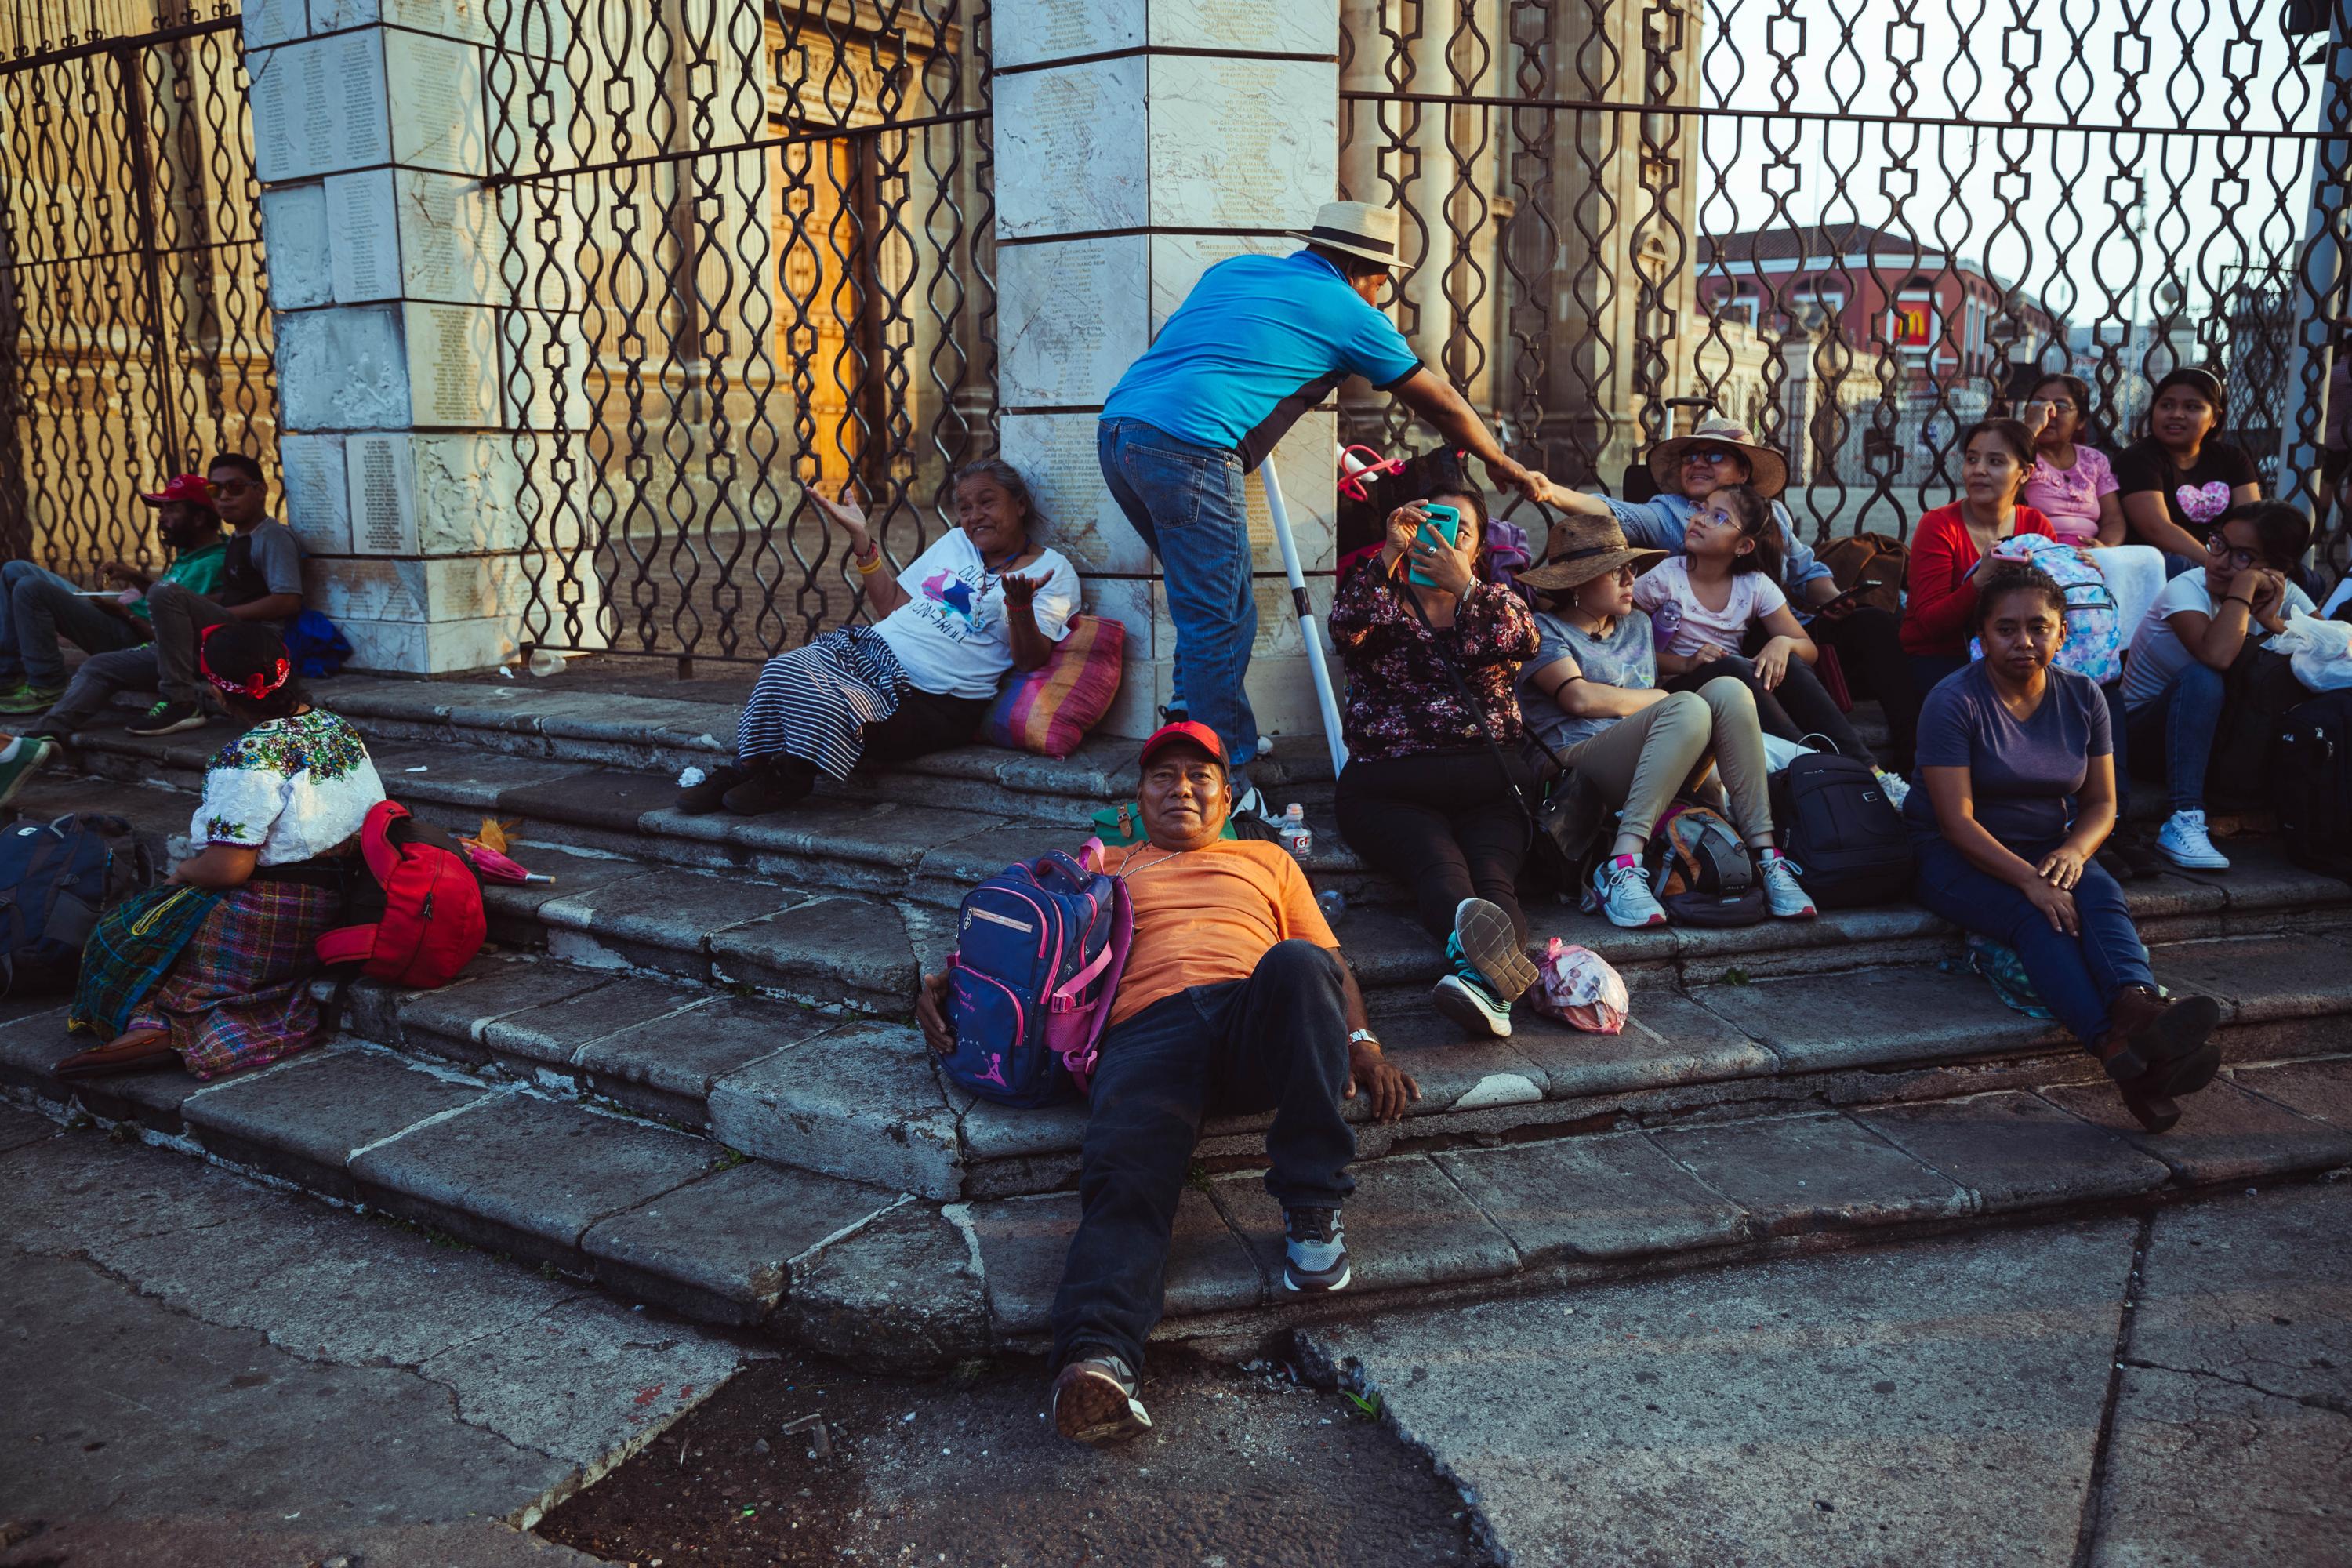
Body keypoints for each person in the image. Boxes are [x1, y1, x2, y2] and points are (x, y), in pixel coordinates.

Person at [916, 721, 1419, 1445]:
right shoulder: (1105, 867)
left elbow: (1331, 965)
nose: (1180, 788)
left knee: (1299, 963)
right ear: (1138, 797)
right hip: (1146, 1031)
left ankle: (1312, 1213)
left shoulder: (1268, 862)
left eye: (1199, 777)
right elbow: (1015, 937)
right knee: (1126, 1174)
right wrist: (946, 981)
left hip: (1252, 1018)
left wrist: (1363, 1044)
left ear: (1225, 796)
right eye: (1163, 776)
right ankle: (1097, 1361)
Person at [1097, 200, 1556, 814]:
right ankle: (1224, 777)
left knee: (1206, 604)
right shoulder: (1350, 312)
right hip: (1193, 447)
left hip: (1121, 430)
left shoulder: (1233, 272)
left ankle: (1195, 728)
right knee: (1222, 617)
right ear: (1376, 277)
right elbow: (1441, 403)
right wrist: (1501, 463)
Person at [1907, 562, 2222, 1134]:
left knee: (2099, 894)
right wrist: (2029, 880)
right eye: (2006, 628)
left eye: (2038, 626)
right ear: (1980, 636)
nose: (2023, 641)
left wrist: (2076, 852)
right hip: (1956, 856)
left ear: (2062, 633)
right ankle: (2119, 1051)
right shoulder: (1953, 701)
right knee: (2039, 916)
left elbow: (2103, 805)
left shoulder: (2084, 696)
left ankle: (2136, 1012)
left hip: (2052, 843)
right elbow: (1955, 821)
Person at [53, 622, 387, 1081]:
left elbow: (229, 868)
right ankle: (157, 1025)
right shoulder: (334, 727)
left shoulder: (248, 757)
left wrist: (185, 872)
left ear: (219, 690)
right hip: (347, 899)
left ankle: (162, 1027)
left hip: (277, 912)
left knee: (122, 935)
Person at [679, 459, 1080, 815]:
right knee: (783, 669)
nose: (975, 516)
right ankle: (747, 767)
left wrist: (1019, 608)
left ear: (1020, 505)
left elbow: (1030, 660)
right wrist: (862, 540)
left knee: (829, 698)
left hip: (930, 698)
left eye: (987, 502)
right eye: (965, 507)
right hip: (868, 654)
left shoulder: (1053, 570)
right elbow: (890, 604)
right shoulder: (957, 543)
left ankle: (793, 774)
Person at [1544, 417, 1923, 775]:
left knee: (1873, 623)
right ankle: (1817, 770)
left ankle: (1908, 762)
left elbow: (1807, 572)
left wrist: (1836, 599)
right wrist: (1550, 490)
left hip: (1777, 631)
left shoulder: (1771, 519)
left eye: (1714, 455)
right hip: (1718, 658)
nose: (1698, 463)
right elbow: (1614, 515)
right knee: (1744, 662)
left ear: (1743, 472)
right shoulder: (1672, 514)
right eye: (1691, 455)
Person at [1513, 514, 1815, 929]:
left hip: (1648, 764)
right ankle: (1621, 865)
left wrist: (1665, 700)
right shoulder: (1542, 630)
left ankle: (1767, 857)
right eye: (1614, 572)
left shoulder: (1637, 625)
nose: (1629, 580)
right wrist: (1660, 699)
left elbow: (1646, 706)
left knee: (1729, 690)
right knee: (1685, 705)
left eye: (1630, 569)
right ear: (1577, 583)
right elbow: (1579, 698)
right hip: (1573, 768)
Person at [1328, 484, 1543, 1039]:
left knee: (1495, 880)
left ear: (1475, 549)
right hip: (1391, 785)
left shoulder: (1495, 600)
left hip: (1488, 783)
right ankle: (1493, 986)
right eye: (1424, 524)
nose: (1438, 538)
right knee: (1439, 869)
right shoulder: (1377, 601)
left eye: (1457, 530)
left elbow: (1522, 638)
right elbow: (1344, 626)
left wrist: (1464, 587)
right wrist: (1387, 553)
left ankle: (1486, 988)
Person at [1632, 481, 1902, 795]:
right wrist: (1686, 663)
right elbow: (1627, 650)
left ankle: (1873, 772)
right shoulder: (1664, 577)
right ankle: (1815, 766)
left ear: (1743, 546)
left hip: (1736, 692)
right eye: (1701, 509)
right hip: (1679, 693)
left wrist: (1782, 644)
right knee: (1736, 668)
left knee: (1789, 665)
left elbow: (1809, 651)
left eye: (1718, 517)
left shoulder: (1754, 585)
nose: (1700, 519)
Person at [23, 452, 303, 742]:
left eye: (234, 488)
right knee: (98, 666)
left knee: (165, 592)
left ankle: (180, 700)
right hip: (216, 639)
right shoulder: (238, 538)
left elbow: (288, 600)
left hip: (253, 644)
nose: (223, 497)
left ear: (260, 491)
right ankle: (42, 738)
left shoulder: (271, 537)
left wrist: (222, 613)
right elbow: (230, 595)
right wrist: (198, 607)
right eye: (215, 490)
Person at [2119, 501, 2317, 871]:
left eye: (2242, 556)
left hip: (2220, 741)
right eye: (2219, 543)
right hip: (2148, 737)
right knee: (2203, 675)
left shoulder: (2282, 592)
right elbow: (2217, 655)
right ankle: (2184, 817)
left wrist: (2275, 624)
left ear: (2278, 568)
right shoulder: (2187, 588)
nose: (2219, 562)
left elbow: (2340, 654)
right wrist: (2243, 589)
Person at [0, 475, 227, 717]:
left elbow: (173, 634)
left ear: (199, 518)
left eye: (171, 509)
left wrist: (123, 612)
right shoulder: (192, 554)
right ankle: (9, 675)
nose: (161, 518)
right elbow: (167, 596)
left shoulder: (209, 565)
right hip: (121, 619)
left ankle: (47, 684)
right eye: (162, 510)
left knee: (31, 589)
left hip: (133, 638)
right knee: (15, 569)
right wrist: (135, 576)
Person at [1900, 418, 2056, 692]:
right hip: (1943, 655)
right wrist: (1979, 581)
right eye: (1972, 459)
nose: (1978, 470)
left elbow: (2050, 608)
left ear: (2025, 472)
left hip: (2016, 654)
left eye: (1995, 462)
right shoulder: (1939, 526)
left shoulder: (2037, 526)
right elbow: (1928, 624)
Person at [2114, 367, 2260, 569]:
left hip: (2225, 563)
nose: (2176, 414)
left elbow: (2252, 522)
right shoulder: (2137, 460)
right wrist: (2218, 564)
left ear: (2215, 418)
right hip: (2164, 563)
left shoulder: (2232, 458)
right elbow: (2157, 529)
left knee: (2302, 578)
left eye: (2192, 408)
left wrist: (2242, 564)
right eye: (2166, 405)